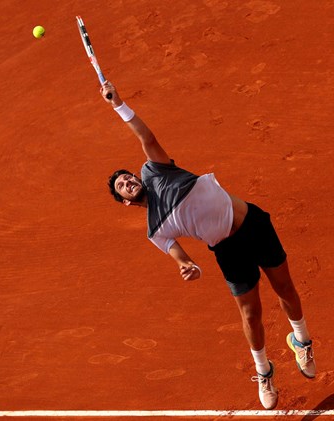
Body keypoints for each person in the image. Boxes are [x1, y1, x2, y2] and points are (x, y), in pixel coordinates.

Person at [100, 81, 315, 409]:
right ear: (126, 202)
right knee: (251, 312)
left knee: (285, 288)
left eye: (127, 177)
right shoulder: (156, 230)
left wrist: (119, 104)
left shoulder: (155, 171)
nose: (128, 181)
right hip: (228, 250)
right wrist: (189, 267)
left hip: (253, 224)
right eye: (122, 186)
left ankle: (301, 341)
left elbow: (146, 137)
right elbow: (183, 259)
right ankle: (264, 371)